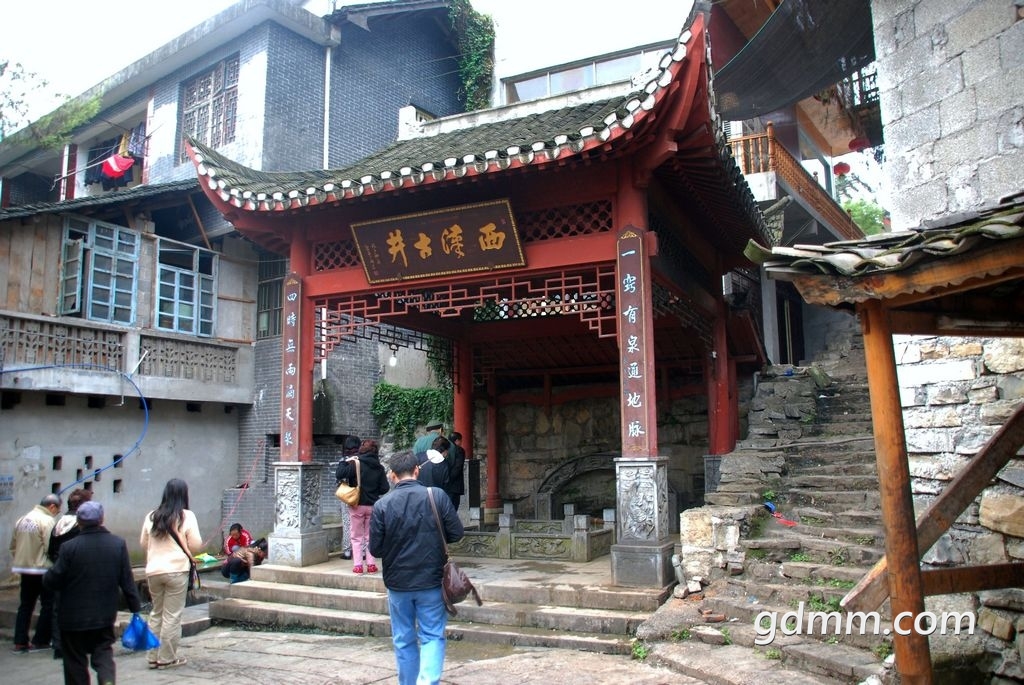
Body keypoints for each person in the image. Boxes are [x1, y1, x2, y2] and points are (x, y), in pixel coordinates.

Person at [370, 450, 464, 685]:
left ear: (392, 475)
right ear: (416, 471)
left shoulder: (382, 505)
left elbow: (376, 549)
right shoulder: (437, 496)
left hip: (398, 583)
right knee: (432, 635)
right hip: (431, 580)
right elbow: (456, 533)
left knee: (403, 638)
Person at [43, 501, 142, 685]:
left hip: (73, 618)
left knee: (74, 660)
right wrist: (135, 608)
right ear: (101, 519)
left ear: (79, 522)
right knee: (103, 652)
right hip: (104, 615)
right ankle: (107, 681)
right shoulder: (117, 544)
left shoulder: (69, 547)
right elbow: (127, 581)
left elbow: (52, 579)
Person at [140, 478, 203, 670]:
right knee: (172, 615)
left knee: (156, 613)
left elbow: (144, 543)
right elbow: (196, 545)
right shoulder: (186, 516)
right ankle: (167, 658)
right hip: (176, 570)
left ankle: (152, 656)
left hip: (153, 570)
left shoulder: (151, 516)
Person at [9, 493, 61, 654]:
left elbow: (13, 546)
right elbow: (51, 546)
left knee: (25, 605)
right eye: (57, 510)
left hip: (24, 568)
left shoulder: (22, 520)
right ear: (52, 506)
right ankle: (41, 640)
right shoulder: (47, 521)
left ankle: (20, 642)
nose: (57, 513)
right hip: (42, 568)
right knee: (48, 604)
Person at [47, 489, 93, 661]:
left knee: (58, 608)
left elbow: (51, 550)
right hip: (79, 573)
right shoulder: (81, 526)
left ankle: (58, 645)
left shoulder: (58, 523)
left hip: (60, 570)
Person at [335, 439, 390, 574]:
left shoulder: (355, 463)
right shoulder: (379, 467)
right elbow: (385, 488)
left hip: (357, 505)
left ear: (361, 450)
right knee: (370, 536)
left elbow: (339, 474)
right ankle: (371, 565)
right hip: (373, 506)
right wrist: (374, 491)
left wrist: (345, 461)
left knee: (356, 536)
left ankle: (358, 565)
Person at [336, 435, 361, 560]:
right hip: (361, 495)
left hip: (347, 496)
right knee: (361, 525)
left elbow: (339, 476)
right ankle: (362, 552)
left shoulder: (344, 461)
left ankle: (347, 551)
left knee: (347, 523)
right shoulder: (363, 460)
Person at [444, 431, 466, 511]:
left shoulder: (444, 449)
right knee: (453, 506)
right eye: (460, 441)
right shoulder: (459, 450)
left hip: (444, 483)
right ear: (457, 441)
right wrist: (450, 479)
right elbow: (458, 467)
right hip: (455, 484)